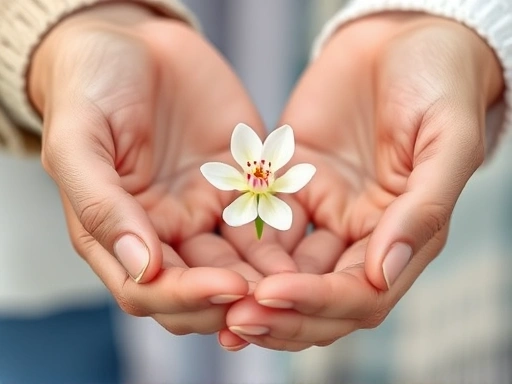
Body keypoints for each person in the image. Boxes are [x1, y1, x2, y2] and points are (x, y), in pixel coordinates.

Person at [0, 0, 510, 380]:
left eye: (263, 173)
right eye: (257, 174)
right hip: (46, 288)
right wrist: (67, 25)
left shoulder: (274, 185)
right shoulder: (245, 181)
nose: (259, 174)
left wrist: (451, 15)